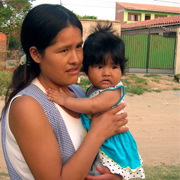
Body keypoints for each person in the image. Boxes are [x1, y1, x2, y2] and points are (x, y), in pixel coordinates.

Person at [0, 4, 129, 180]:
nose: (76, 59)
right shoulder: (27, 106)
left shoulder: (78, 93)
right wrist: (98, 133)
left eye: (78, 47)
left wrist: (116, 175)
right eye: (63, 50)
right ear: (36, 54)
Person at [46, 24, 145, 179]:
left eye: (114, 67)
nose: (107, 73)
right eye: (99, 66)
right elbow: (86, 102)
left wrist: (65, 100)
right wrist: (72, 98)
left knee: (103, 171)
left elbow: (92, 105)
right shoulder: (92, 89)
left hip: (113, 143)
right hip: (102, 140)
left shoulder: (114, 91)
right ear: (87, 68)